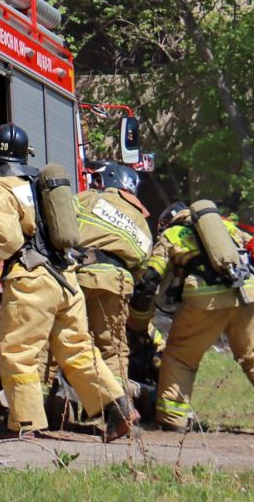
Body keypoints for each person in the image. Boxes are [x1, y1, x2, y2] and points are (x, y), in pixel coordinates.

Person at [0, 123, 134, 441]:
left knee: (19, 352)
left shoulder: (1, 188)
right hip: (67, 279)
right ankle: (119, 410)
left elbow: (6, 239)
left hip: (31, 280)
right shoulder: (38, 183)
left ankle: (26, 424)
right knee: (77, 349)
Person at [131, 201, 254, 435]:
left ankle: (173, 418)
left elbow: (151, 278)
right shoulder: (228, 227)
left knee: (179, 357)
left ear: (168, 221)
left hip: (205, 297)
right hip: (248, 293)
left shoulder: (172, 234)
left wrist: (138, 320)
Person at [73, 162, 153, 387]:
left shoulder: (89, 198)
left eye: (99, 180)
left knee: (68, 340)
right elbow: (142, 266)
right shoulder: (142, 222)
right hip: (118, 283)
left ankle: (60, 403)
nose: (96, 184)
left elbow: (58, 220)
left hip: (80, 277)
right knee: (113, 350)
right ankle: (119, 410)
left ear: (109, 180)